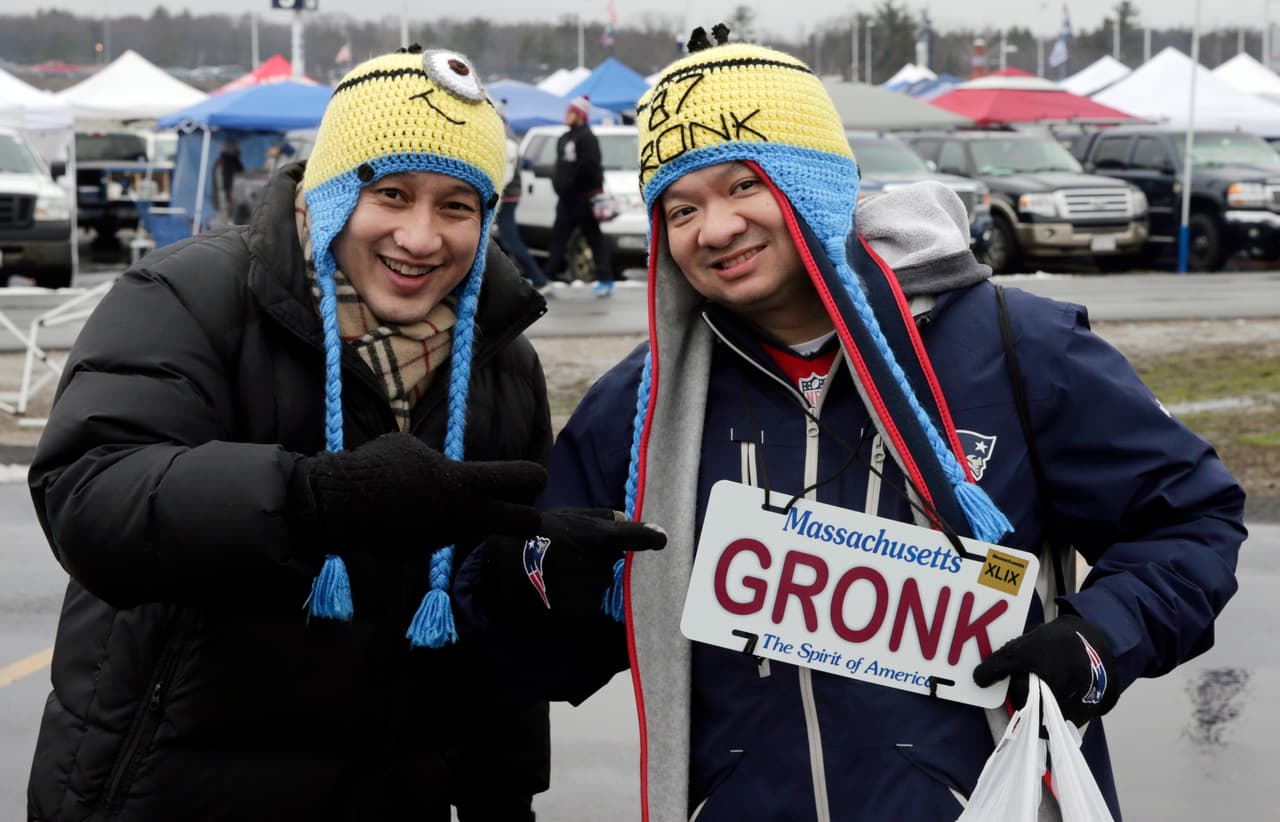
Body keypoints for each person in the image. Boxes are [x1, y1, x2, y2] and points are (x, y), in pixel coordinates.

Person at [457, 30, 1246, 820]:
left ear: (812, 186)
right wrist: (526, 582)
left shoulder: (1017, 348)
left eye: (743, 186)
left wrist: (1096, 641)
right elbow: (556, 658)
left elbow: (1187, 520)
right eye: (682, 208)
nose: (716, 229)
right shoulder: (639, 405)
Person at [25, 46, 659, 822]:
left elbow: (485, 644)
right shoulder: (191, 295)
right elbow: (91, 498)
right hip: (166, 788)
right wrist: (309, 499)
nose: (421, 238)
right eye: (390, 194)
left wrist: (505, 779)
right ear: (328, 193)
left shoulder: (501, 360)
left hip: (390, 793)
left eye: (457, 206)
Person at [544, 95, 614, 297]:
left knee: (593, 238)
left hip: (583, 198)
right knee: (558, 237)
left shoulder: (587, 137)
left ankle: (606, 279)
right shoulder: (565, 137)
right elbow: (560, 165)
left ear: (580, 115)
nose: (566, 116)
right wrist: (560, 185)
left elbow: (590, 166)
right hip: (566, 199)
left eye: (570, 112)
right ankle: (548, 278)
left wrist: (571, 182)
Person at [496, 106, 552, 295]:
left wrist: (496, 195)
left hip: (506, 195)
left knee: (511, 240)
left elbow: (506, 174)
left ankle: (538, 278)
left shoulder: (507, 141)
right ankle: (514, 278)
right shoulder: (506, 138)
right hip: (508, 194)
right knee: (505, 239)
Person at [212, 139, 243, 223]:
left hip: (228, 201)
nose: (238, 151)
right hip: (225, 202)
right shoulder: (225, 163)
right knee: (226, 225)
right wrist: (227, 202)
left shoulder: (229, 162)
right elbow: (223, 184)